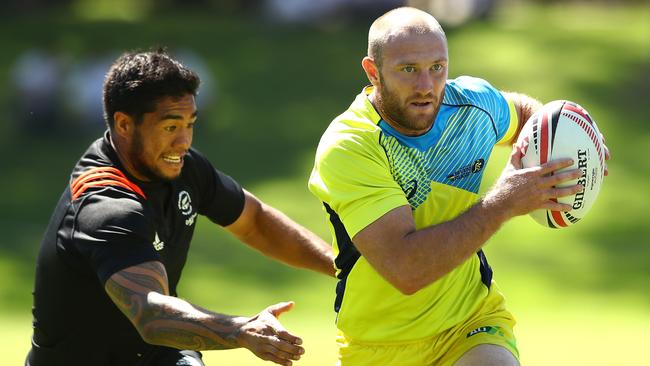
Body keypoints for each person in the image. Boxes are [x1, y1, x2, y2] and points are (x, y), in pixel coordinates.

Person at [308, 7, 609, 366]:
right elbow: (406, 269)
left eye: (437, 67)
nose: (426, 86)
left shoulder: (471, 105)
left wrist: (568, 142)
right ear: (373, 72)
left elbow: (528, 114)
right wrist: (504, 203)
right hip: (377, 346)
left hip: (470, 322)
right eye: (408, 70)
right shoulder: (351, 145)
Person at [26, 49, 335, 366]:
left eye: (190, 124)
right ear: (123, 124)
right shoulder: (105, 204)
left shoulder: (184, 168)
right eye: (171, 127)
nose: (184, 141)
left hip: (155, 352)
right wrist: (242, 329)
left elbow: (255, 222)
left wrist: (342, 267)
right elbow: (151, 314)